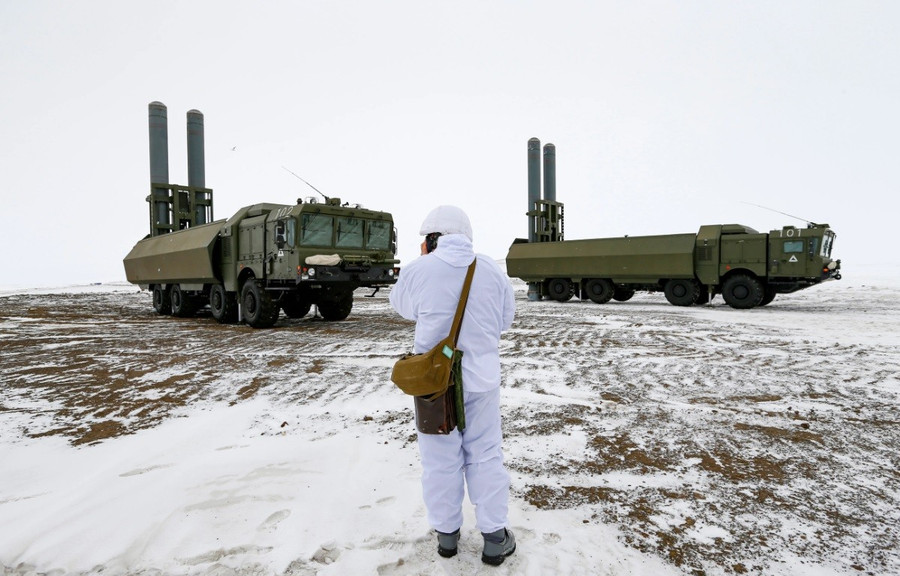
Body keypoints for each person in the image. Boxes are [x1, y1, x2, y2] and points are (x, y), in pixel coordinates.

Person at [389, 205, 517, 565]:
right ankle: (494, 537)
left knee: (440, 460)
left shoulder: (420, 270)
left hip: (435, 384)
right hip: (481, 380)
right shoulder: (491, 270)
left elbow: (402, 306)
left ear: (432, 238)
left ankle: (447, 537)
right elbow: (505, 321)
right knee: (486, 454)